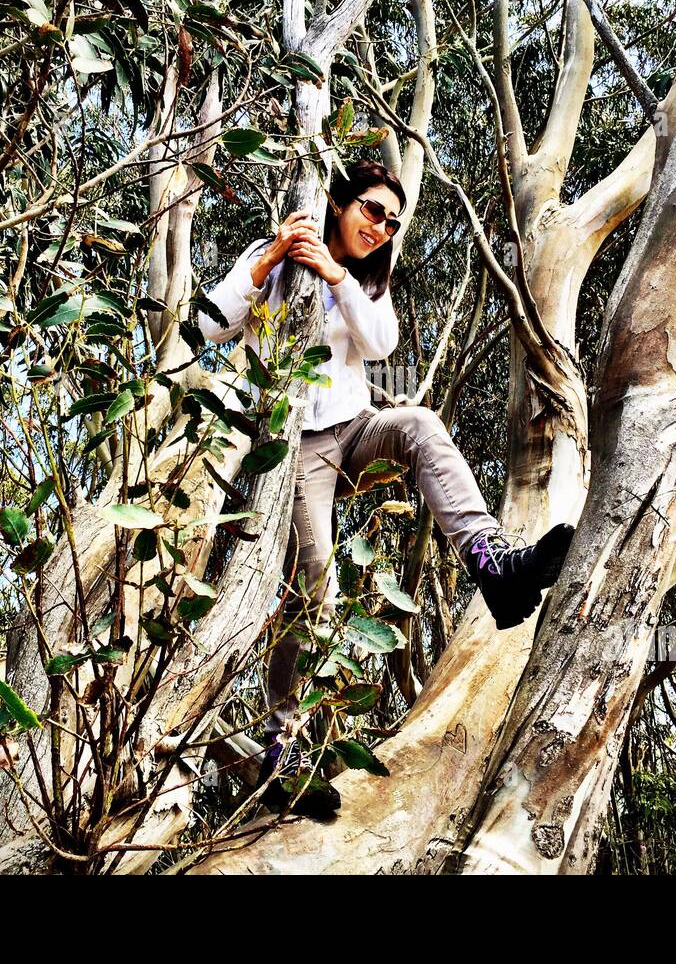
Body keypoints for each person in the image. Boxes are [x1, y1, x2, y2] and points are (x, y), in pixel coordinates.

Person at [197, 161, 575, 817]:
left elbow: (380, 343)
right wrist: (273, 261)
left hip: (358, 430)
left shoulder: (367, 280)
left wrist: (338, 276)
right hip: (295, 450)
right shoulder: (273, 257)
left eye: (393, 221)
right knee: (314, 591)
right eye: (372, 210)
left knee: (422, 426)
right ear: (337, 202)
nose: (383, 227)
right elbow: (207, 326)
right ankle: (281, 754)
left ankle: (496, 566)